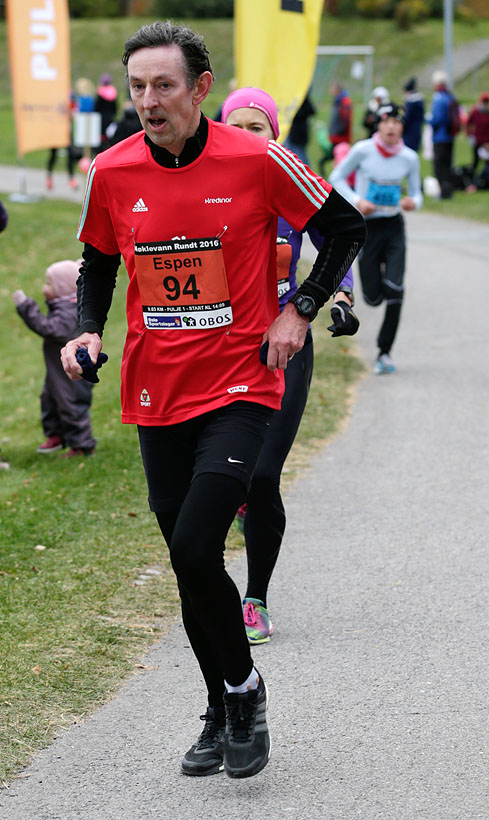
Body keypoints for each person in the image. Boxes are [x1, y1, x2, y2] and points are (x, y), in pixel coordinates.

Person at [60, 21, 365, 780]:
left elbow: (345, 227)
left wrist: (300, 309)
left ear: (200, 88)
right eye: (138, 86)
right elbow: (98, 262)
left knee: (198, 546)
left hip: (240, 383)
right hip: (156, 390)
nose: (148, 101)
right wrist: (87, 329)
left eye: (164, 85)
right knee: (188, 565)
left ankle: (243, 690)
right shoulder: (112, 170)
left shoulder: (257, 158)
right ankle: (220, 706)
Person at [221, 87, 359, 645]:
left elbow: (338, 237)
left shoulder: (290, 180)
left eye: (257, 127)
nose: (247, 137)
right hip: (220, 347)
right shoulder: (206, 186)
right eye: (236, 126)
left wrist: (341, 297)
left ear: (274, 136)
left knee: (260, 477)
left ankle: (254, 598)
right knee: (215, 480)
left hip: (284, 343)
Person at [329, 102, 422, 375]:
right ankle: (379, 291)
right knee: (372, 297)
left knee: (396, 289)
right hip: (367, 227)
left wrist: (412, 202)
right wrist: (357, 201)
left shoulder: (409, 157)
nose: (391, 127)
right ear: (378, 125)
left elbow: (417, 193)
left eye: (396, 122)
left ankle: (384, 351)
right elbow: (336, 177)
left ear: (402, 127)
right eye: (386, 122)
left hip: (393, 226)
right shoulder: (363, 150)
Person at [13, 259, 97, 457]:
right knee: (49, 400)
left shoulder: (70, 312)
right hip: (57, 372)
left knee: (71, 405)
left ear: (63, 288)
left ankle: (82, 445)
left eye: (49, 284)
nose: (45, 288)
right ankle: (56, 435)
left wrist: (26, 307)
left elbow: (49, 328)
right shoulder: (64, 306)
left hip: (71, 373)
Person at [428, 69, 456, 200]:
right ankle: (448, 189)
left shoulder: (438, 98)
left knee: (439, 166)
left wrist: (428, 120)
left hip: (440, 136)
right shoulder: (450, 97)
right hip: (450, 136)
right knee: (448, 164)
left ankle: (444, 191)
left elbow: (437, 119)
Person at [466, 92, 489, 175]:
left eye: (487, 101)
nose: (486, 103)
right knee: (475, 162)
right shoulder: (475, 112)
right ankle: (472, 177)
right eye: (484, 101)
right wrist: (470, 136)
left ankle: (488, 177)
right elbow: (468, 124)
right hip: (478, 141)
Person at [319, 81, 352, 176]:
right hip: (335, 138)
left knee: (338, 163)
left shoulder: (345, 102)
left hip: (340, 139)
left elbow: (345, 120)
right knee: (333, 162)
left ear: (337, 90)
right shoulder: (337, 101)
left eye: (332, 88)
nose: (330, 91)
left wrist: (337, 132)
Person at [284, 92, 316, 167]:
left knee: (300, 155)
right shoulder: (299, 98)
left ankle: (306, 172)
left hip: (297, 134)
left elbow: (311, 111)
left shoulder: (301, 99)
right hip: (295, 133)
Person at [94, 73, 118, 153]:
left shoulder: (100, 92)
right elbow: (115, 108)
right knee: (109, 135)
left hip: (101, 119)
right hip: (110, 118)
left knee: (101, 136)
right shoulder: (113, 92)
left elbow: (96, 107)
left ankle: (100, 151)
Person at [402, 77, 425, 153]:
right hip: (417, 129)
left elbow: (407, 117)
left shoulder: (411, 101)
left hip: (409, 132)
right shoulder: (420, 99)